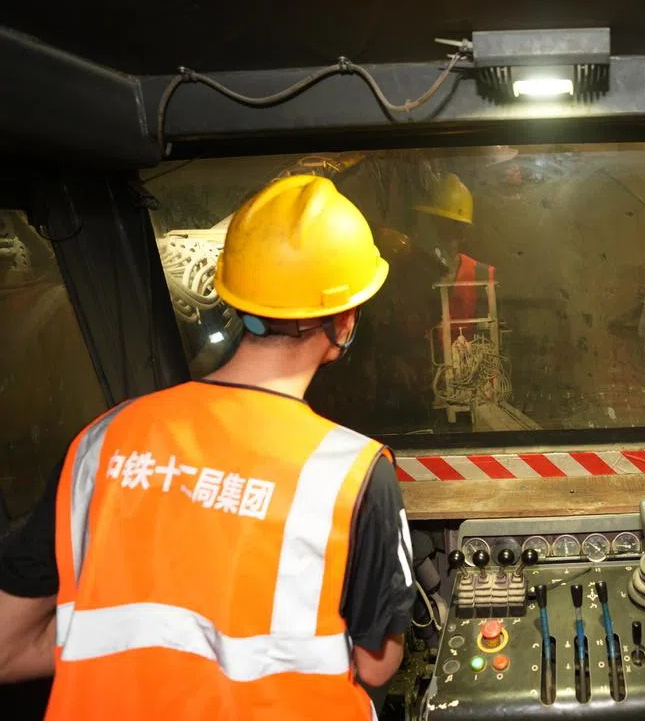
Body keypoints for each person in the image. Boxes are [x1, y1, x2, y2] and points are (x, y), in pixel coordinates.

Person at [0, 175, 415, 720]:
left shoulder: (100, 444)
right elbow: (377, 666)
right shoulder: (351, 473)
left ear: (236, 302)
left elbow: (7, 649)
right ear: (346, 318)